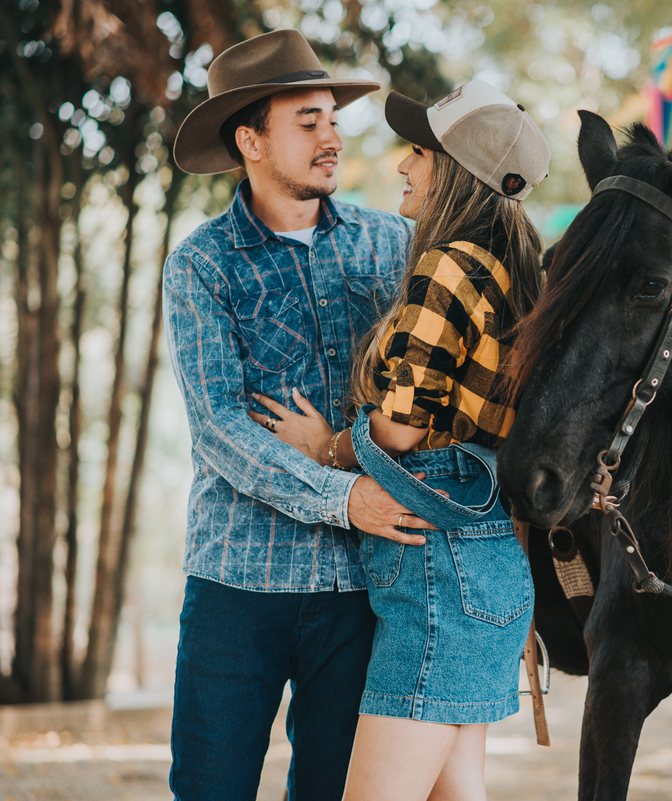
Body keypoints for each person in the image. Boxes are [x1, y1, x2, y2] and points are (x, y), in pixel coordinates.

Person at [252, 79, 549, 800]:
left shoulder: (447, 265)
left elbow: (400, 425)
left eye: (419, 151)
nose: (403, 165)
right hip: (490, 564)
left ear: (454, 170)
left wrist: (329, 445)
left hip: (436, 571)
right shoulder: (518, 271)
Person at [163, 29, 434, 801]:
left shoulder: (394, 246)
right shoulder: (202, 263)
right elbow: (220, 428)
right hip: (235, 584)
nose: (331, 139)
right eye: (307, 122)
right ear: (250, 139)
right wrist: (345, 493)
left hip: (361, 588)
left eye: (332, 120)